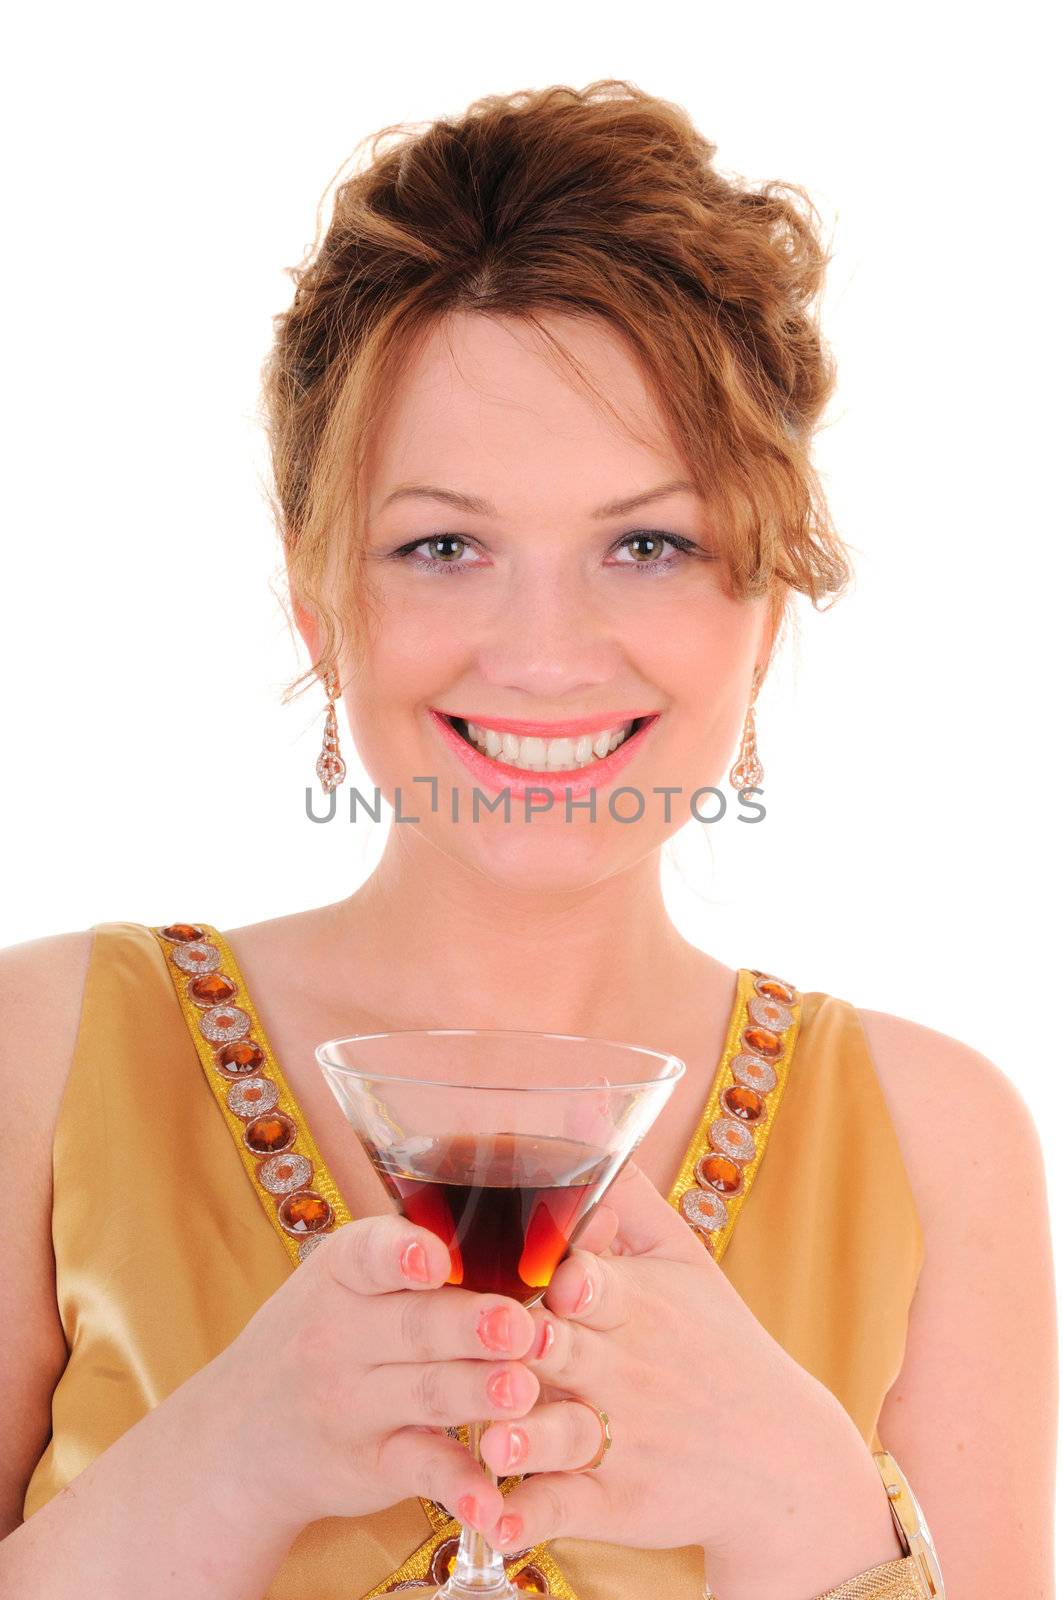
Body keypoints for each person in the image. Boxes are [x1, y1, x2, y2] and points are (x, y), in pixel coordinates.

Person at [0, 78, 1054, 1600]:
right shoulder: (46, 1058)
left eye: (649, 544)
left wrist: (812, 1517)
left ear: (760, 608)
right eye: (444, 544)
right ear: (320, 607)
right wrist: (216, 1469)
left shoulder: (937, 1140)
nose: (546, 656)